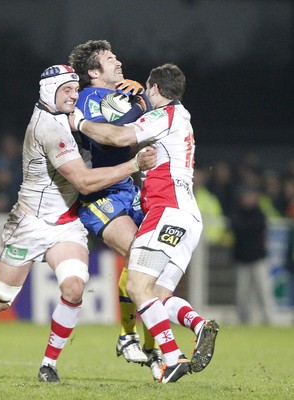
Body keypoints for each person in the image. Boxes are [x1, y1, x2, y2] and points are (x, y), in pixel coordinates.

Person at [0, 64, 156, 383]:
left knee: (74, 286)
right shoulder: (49, 127)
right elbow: (83, 181)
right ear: (48, 93)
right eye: (65, 90)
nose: (73, 95)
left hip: (65, 224)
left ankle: (48, 364)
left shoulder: (65, 114)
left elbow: (100, 126)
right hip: (30, 223)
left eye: (74, 89)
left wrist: (123, 104)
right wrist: (134, 163)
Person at [69, 62, 219, 383]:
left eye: (147, 90)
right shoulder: (181, 117)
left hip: (165, 211)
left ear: (154, 89)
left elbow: (119, 136)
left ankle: (173, 355)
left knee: (137, 286)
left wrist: (80, 122)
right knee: (157, 294)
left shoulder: (161, 116)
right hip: (188, 218)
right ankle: (197, 324)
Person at [68, 39, 162, 379]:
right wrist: (141, 103)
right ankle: (128, 336)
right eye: (110, 59)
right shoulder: (86, 99)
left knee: (153, 261)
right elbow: (109, 134)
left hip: (130, 187)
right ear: (94, 72)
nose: (118, 62)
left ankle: (150, 347)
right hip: (101, 190)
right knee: (140, 254)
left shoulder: (123, 93)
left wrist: (141, 102)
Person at [230, 184, 276, 324]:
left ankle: (269, 318)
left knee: (264, 291)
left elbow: (259, 227)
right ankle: (243, 319)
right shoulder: (237, 212)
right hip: (242, 258)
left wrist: (247, 228)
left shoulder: (258, 212)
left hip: (258, 258)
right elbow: (238, 228)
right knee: (242, 294)